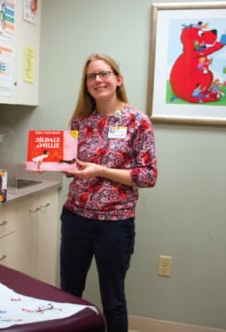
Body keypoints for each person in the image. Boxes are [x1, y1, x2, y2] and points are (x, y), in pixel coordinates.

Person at [60, 53, 158, 332]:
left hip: (115, 224)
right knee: (69, 294)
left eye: (103, 73)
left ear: (118, 79)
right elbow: (73, 167)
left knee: (112, 299)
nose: (98, 80)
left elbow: (148, 176)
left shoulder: (137, 121)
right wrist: (60, 166)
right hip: (75, 218)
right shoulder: (80, 121)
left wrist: (100, 170)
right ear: (86, 83)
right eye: (91, 76)